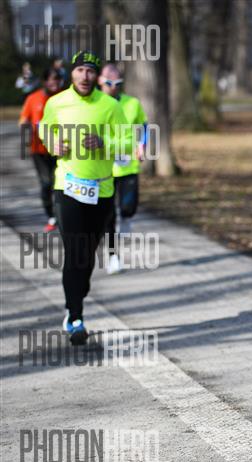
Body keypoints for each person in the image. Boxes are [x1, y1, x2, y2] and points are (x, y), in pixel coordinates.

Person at [38, 51, 130, 345]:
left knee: (87, 255)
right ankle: (75, 316)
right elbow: (45, 129)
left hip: (101, 190)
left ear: (96, 76)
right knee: (75, 251)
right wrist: (53, 144)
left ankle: (78, 292)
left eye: (90, 71)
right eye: (80, 70)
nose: (85, 76)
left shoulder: (110, 105)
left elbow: (127, 142)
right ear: (72, 73)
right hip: (67, 187)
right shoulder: (57, 102)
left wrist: (104, 143)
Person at [97, 64, 148, 275]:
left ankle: (126, 218)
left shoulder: (132, 103)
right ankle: (113, 256)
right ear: (100, 81)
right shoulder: (94, 104)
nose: (113, 86)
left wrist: (142, 145)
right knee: (108, 215)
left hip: (128, 165)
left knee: (128, 208)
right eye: (109, 82)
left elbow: (144, 126)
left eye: (118, 83)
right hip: (104, 168)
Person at [19, 67, 63, 231]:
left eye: (57, 79)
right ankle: (51, 216)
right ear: (45, 81)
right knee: (46, 183)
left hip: (60, 149)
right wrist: (28, 126)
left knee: (60, 183)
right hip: (39, 150)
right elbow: (23, 120)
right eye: (51, 79)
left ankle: (61, 216)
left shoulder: (64, 98)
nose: (54, 83)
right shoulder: (33, 98)